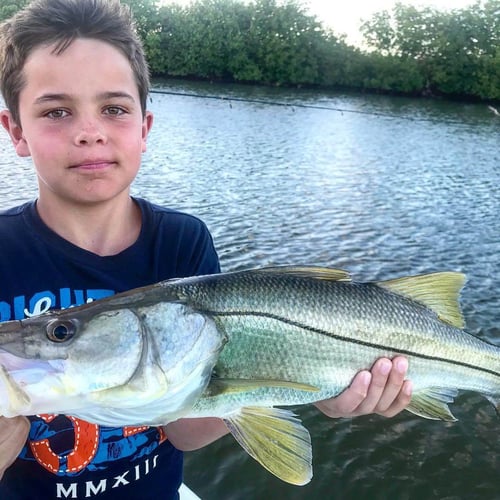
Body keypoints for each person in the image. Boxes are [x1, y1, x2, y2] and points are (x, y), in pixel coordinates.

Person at [0, 0, 412, 497]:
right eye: (57, 111)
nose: (90, 132)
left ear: (144, 128)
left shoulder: (182, 239)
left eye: (114, 109)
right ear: (16, 131)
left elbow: (186, 427)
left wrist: (319, 384)